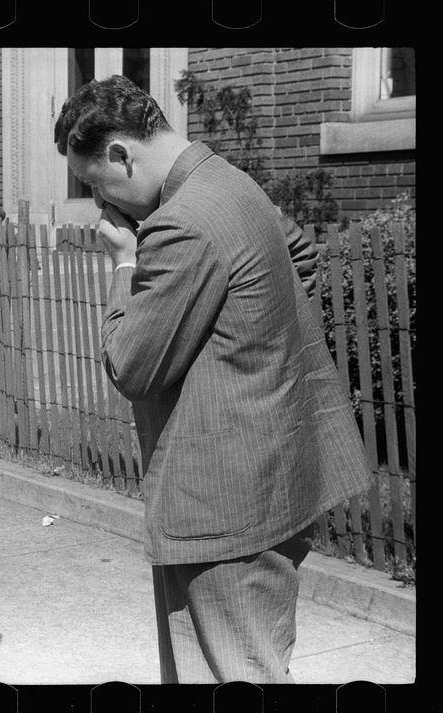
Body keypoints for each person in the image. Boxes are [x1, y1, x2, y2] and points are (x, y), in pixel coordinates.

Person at [54, 76, 370, 684]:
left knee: (237, 671)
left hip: (225, 506)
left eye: (96, 182)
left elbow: (132, 367)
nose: (99, 204)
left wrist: (123, 262)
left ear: (121, 153)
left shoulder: (181, 225)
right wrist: (246, 349)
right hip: (275, 474)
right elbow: (299, 257)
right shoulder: (230, 182)